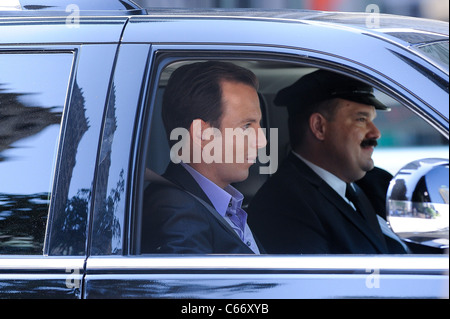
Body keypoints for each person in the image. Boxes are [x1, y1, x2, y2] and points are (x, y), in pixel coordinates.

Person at [248, 69, 408, 254]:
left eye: (371, 120)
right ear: (319, 127)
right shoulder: (282, 207)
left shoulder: (377, 183)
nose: (375, 133)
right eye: (361, 119)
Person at [141, 61, 267, 254]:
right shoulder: (176, 210)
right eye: (247, 126)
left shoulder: (219, 206)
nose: (262, 141)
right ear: (202, 134)